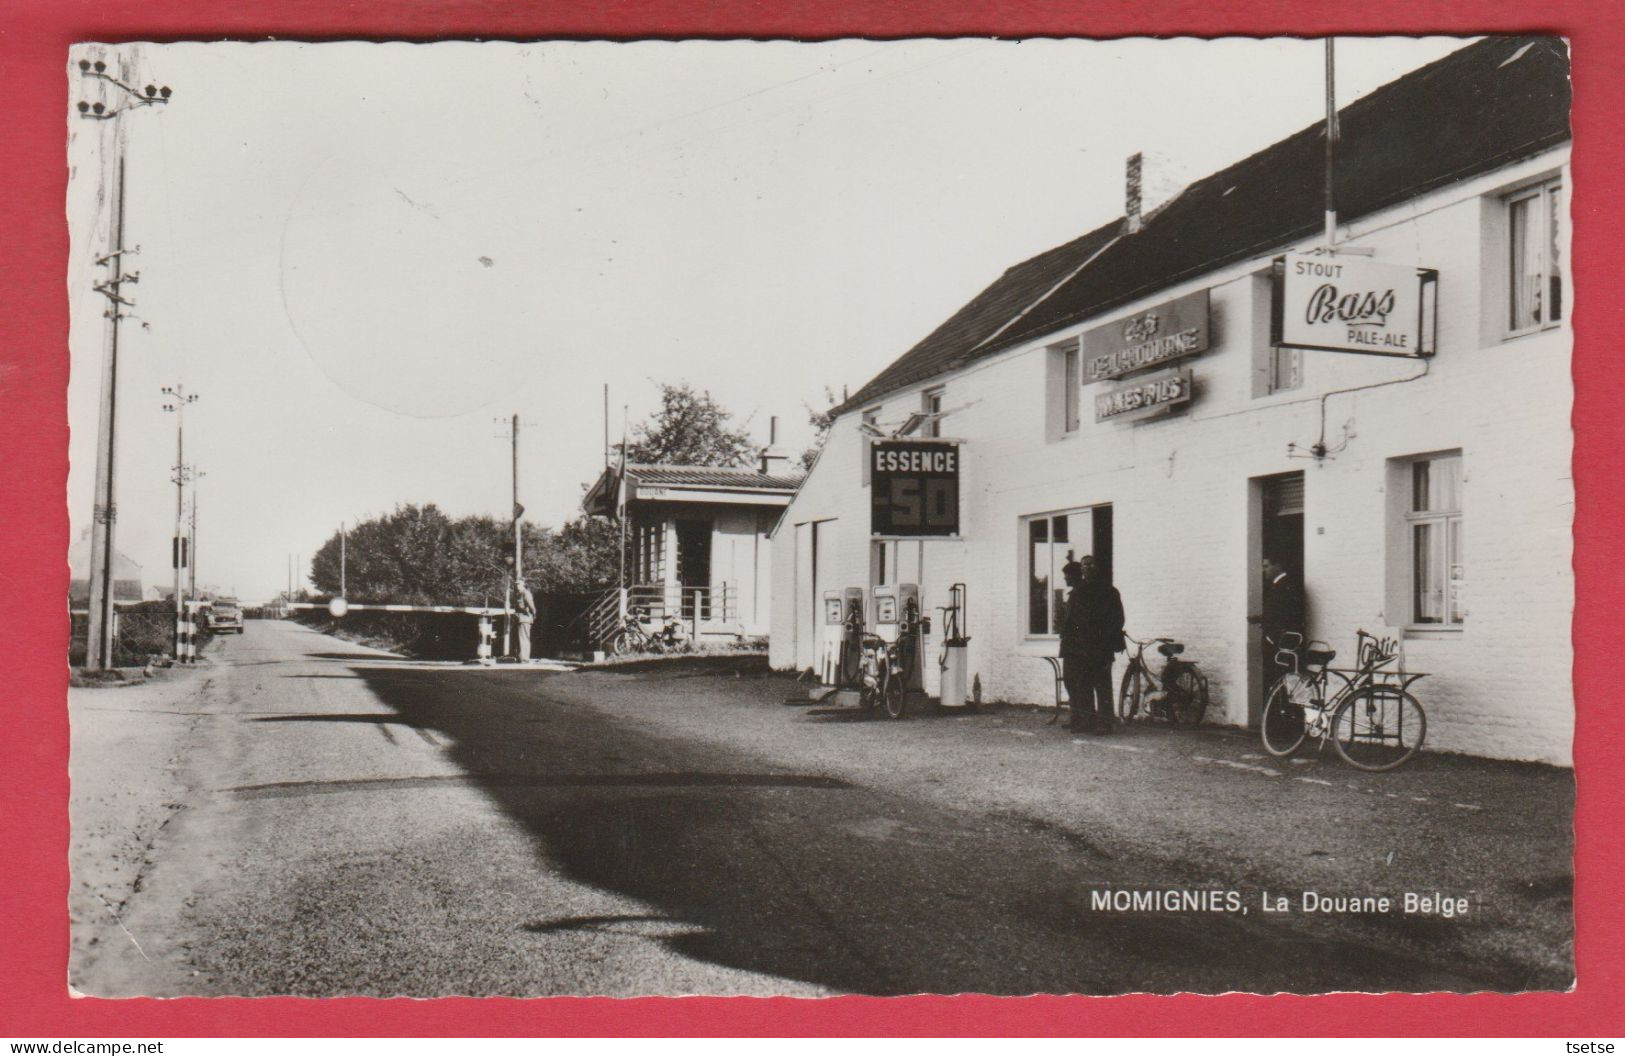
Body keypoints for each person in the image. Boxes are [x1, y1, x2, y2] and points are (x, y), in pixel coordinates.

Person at [1060, 554, 1126, 734]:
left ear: (1098, 567)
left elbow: (1117, 619)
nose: (1086, 568)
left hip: (1101, 646)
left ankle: (1105, 723)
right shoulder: (1080, 591)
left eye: (1090, 564)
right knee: (1084, 684)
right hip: (1083, 647)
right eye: (1083, 565)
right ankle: (1087, 721)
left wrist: (1105, 640)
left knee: (1102, 685)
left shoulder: (1109, 591)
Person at [1250, 558, 1305, 698]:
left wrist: (1270, 634)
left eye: (1267, 566)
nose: (1264, 570)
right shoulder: (1282, 584)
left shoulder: (1283, 585)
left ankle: (1279, 715)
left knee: (1279, 678)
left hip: (1280, 642)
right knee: (1282, 680)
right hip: (1281, 641)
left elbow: (1284, 615)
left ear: (1278, 565)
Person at [515, 581, 537, 662]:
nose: (517, 586)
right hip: (520, 619)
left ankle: (524, 658)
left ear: (523, 585)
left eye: (519, 584)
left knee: (524, 638)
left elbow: (531, 606)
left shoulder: (526, 593)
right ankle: (521, 657)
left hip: (525, 618)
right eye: (516, 584)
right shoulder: (519, 594)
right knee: (520, 638)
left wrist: (534, 614)